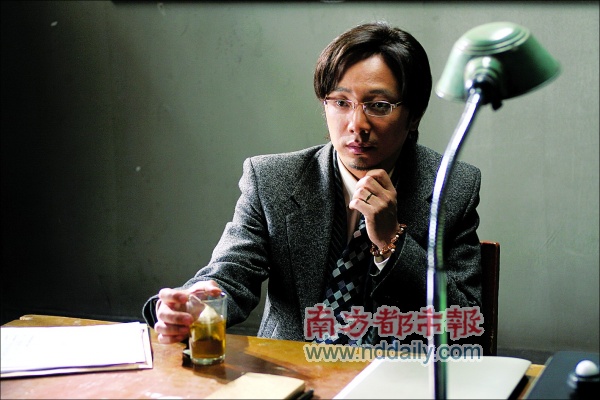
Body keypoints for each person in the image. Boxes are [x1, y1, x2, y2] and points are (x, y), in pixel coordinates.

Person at [143, 21, 482, 347]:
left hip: (396, 372)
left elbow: (465, 322)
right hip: (293, 370)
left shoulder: (453, 187)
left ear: (414, 115)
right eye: (341, 103)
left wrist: (392, 241)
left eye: (379, 106)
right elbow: (231, 274)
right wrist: (194, 307)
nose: (357, 124)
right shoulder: (272, 179)